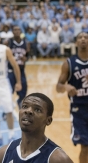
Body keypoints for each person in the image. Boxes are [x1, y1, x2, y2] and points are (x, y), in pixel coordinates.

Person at [0, 93, 73, 163]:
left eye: (37, 109)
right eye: (24, 106)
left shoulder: (57, 159)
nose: (28, 111)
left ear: (48, 120)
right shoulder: (3, 153)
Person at [56, 32, 88, 163]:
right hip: (78, 110)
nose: (83, 39)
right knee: (85, 147)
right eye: (80, 37)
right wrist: (66, 87)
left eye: (86, 37)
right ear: (76, 42)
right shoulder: (68, 63)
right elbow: (58, 87)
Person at [8, 25, 28, 109]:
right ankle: (7, 109)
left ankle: (20, 101)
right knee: (9, 90)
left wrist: (25, 58)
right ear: (12, 32)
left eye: (18, 30)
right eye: (15, 30)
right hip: (11, 70)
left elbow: (27, 57)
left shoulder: (25, 43)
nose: (17, 31)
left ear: (20, 32)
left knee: (24, 88)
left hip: (21, 70)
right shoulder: (8, 42)